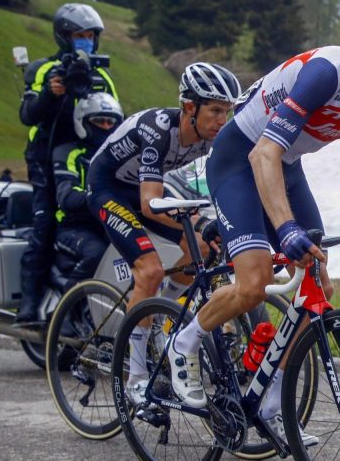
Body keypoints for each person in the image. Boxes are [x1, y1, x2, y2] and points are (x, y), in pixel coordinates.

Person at [165, 0, 340, 444]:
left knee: (318, 286)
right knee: (254, 282)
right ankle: (185, 342)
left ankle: (272, 402)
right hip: (241, 156)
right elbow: (263, 152)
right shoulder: (328, 73)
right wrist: (287, 227)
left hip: (285, 165)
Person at [86, 62, 241, 405]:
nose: (222, 120)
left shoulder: (210, 138)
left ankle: (162, 315)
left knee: (203, 247)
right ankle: (136, 377)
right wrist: (199, 220)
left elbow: (223, 186)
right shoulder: (157, 129)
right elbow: (149, 203)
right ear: (189, 107)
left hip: (143, 190)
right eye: (215, 110)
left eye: (226, 112)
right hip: (107, 188)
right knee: (150, 269)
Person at [15, 3, 118, 326]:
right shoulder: (44, 70)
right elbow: (27, 114)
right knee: (44, 225)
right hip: (47, 159)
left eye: (90, 35)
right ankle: (29, 306)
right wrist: (51, 93)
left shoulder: (101, 75)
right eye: (78, 35)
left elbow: (115, 115)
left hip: (90, 157)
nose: (85, 40)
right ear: (64, 36)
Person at [52, 93, 123, 292]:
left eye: (112, 122)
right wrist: (100, 196)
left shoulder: (119, 156)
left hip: (109, 223)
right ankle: (66, 315)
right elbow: (66, 197)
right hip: (74, 227)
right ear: (82, 123)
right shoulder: (69, 153)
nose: (107, 127)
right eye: (100, 121)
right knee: (97, 255)